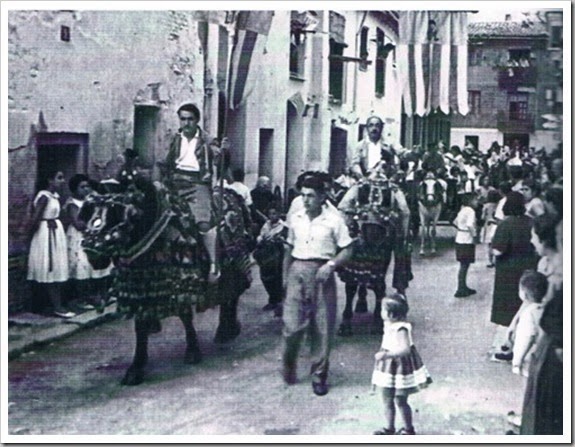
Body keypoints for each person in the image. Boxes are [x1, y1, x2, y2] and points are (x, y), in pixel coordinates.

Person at [281, 175, 354, 396]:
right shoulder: (296, 218)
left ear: (323, 197)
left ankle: (319, 375)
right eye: (303, 195)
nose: (306, 200)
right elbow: (287, 249)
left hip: (322, 274)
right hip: (297, 271)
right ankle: (288, 364)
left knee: (322, 327)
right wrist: (285, 277)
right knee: (292, 326)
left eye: (311, 196)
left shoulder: (334, 221)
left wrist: (331, 265)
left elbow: (348, 249)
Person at [161, 103, 226, 283]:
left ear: (196, 120)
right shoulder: (174, 139)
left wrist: (222, 152)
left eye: (190, 119)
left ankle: (214, 264)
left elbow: (217, 157)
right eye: (183, 119)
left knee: (203, 224)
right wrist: (159, 182)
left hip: (197, 183)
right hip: (174, 183)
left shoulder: (207, 139)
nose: (186, 123)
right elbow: (163, 162)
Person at [371, 293, 432, 435]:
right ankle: (389, 427)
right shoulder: (389, 324)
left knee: (400, 399)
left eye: (382, 309)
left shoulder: (401, 328)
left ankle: (408, 429)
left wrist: (387, 355)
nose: (381, 312)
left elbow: (405, 349)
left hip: (399, 366)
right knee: (386, 398)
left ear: (392, 315)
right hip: (387, 366)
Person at [26, 169, 75, 318]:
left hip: (55, 232)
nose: (62, 181)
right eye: (59, 178)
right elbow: (35, 218)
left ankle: (53, 304)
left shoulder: (55, 197)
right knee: (49, 268)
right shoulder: (44, 197)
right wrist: (30, 236)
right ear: (50, 180)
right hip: (46, 233)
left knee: (56, 268)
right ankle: (57, 306)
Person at [64, 174, 113, 311]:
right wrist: (94, 222)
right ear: (74, 189)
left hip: (93, 236)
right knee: (82, 265)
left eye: (87, 186)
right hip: (79, 237)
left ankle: (97, 295)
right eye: (82, 187)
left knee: (97, 264)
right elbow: (78, 224)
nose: (85, 189)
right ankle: (81, 299)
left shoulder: (91, 201)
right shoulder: (72, 204)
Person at [490, 192, 538, 327]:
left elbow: (498, 251)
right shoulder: (530, 221)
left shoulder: (506, 224)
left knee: (509, 309)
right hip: (528, 267)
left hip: (508, 271)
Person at [253, 204, 287, 314]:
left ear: (278, 214)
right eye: (270, 214)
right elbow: (261, 235)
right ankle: (272, 298)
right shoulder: (266, 224)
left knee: (276, 277)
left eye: (274, 214)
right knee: (265, 277)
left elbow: (286, 242)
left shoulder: (283, 226)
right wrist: (260, 239)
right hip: (265, 253)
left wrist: (280, 240)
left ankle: (277, 301)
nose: (272, 216)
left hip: (277, 254)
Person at [452, 193, 478, 297]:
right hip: (467, 239)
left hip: (459, 238)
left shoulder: (462, 210)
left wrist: (461, 228)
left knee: (463, 265)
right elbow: (470, 225)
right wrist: (475, 236)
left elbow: (455, 222)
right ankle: (461, 288)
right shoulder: (471, 211)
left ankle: (462, 286)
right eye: (475, 200)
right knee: (465, 265)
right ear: (470, 201)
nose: (477, 202)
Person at [480, 189, 501, 268]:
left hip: (488, 226)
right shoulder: (498, 205)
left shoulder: (486, 206)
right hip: (496, 225)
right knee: (495, 244)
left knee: (489, 245)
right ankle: (496, 260)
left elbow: (482, 217)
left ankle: (490, 261)